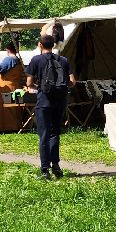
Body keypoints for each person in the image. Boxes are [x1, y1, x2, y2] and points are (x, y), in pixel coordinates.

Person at [26, 33, 74, 178]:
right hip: (59, 101)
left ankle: (44, 170)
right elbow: (72, 81)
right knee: (55, 134)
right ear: (53, 45)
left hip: (43, 101)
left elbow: (28, 83)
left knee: (44, 135)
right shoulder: (63, 60)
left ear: (40, 45)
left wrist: (40, 86)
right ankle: (56, 167)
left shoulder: (36, 60)